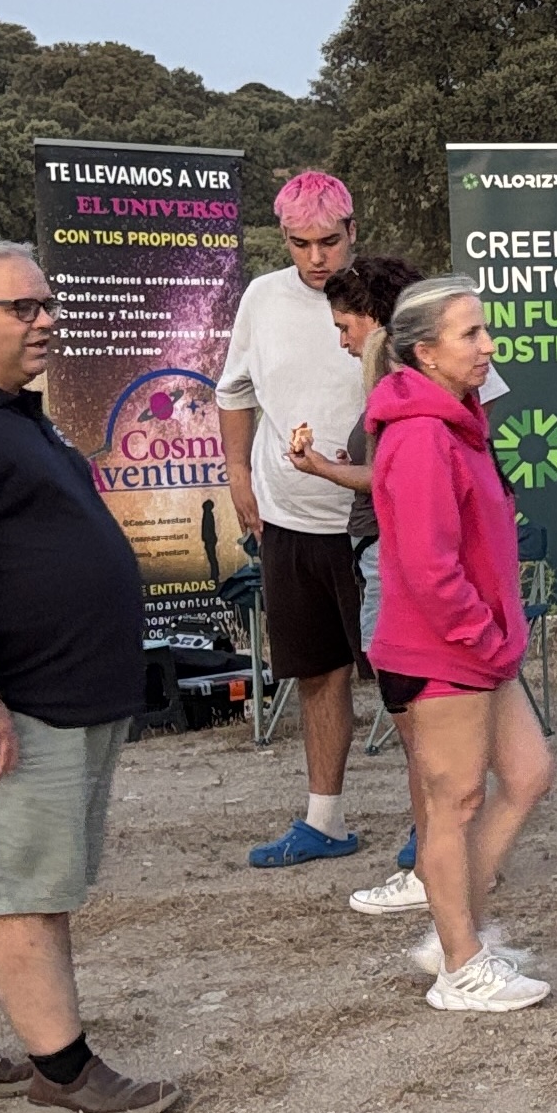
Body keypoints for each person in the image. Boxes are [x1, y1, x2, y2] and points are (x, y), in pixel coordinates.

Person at [0, 241, 186, 1113]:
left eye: (47, 304)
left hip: (57, 694)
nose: (47, 319)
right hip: (11, 702)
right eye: (25, 307)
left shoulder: (11, 413)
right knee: (23, 894)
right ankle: (64, 1071)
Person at [360, 276, 557, 1011]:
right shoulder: (420, 436)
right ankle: (460, 965)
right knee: (455, 803)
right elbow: (428, 567)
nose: (488, 346)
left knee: (529, 773)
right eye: (470, 334)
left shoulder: (455, 425)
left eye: (485, 329)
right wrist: (484, 634)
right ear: (425, 352)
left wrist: (496, 638)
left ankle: (456, 935)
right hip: (443, 652)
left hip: (479, 650)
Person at [217, 171, 386, 875]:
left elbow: (479, 394)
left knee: (409, 685)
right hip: (289, 521)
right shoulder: (262, 297)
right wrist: (238, 474)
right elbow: (234, 391)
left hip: (377, 527)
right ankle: (325, 821)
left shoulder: (394, 294)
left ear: (354, 230)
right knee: (317, 673)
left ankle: (433, 829)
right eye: (299, 243)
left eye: (329, 241)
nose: (316, 258)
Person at [277, 254, 433, 920]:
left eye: (346, 326)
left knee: (416, 719)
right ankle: (440, 851)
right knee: (424, 720)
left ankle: (433, 860)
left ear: (375, 320)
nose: (341, 340)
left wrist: (319, 468)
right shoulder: (413, 381)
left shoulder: (400, 382)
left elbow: (392, 479)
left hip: (390, 558)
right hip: (386, 553)